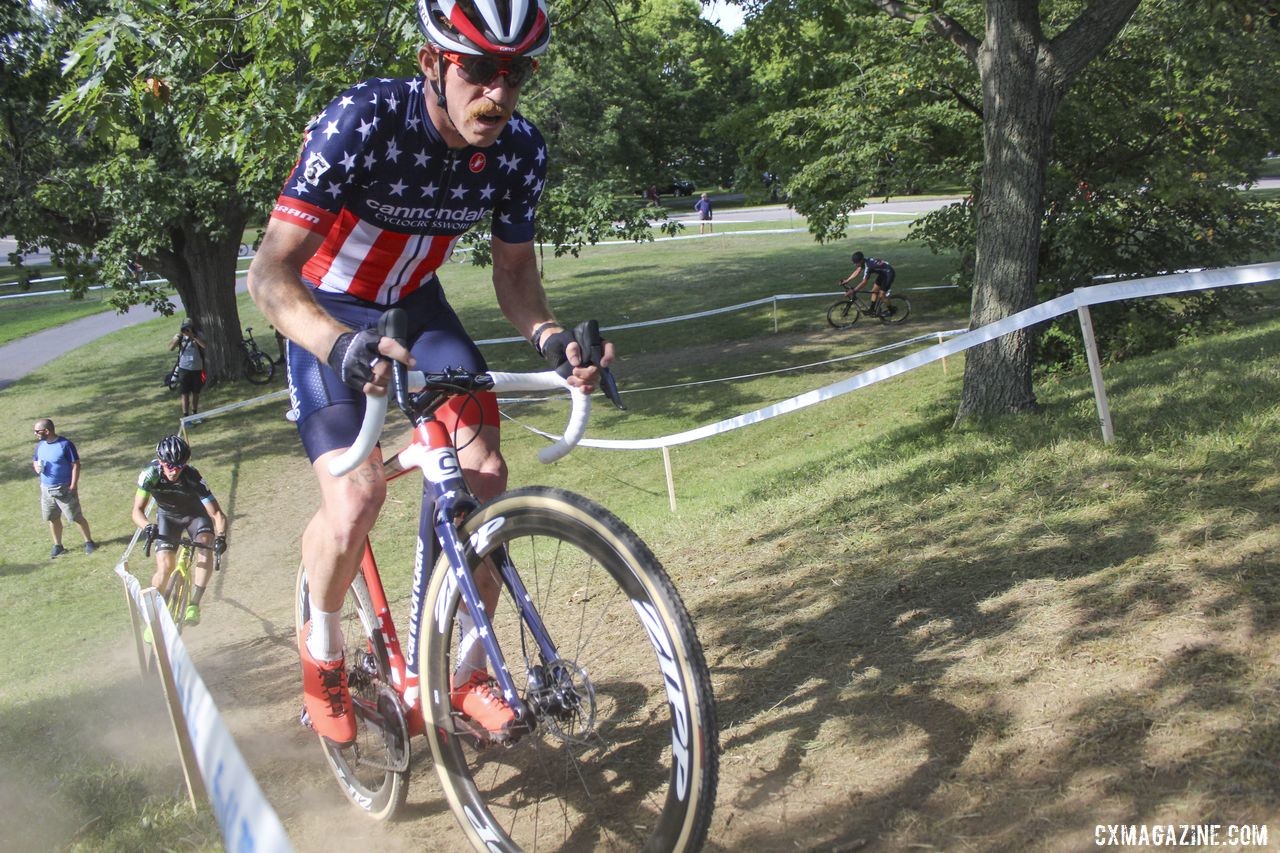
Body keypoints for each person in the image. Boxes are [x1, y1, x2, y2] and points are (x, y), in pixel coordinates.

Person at [247, 0, 613, 747]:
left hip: (417, 308)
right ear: (432, 63)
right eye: (478, 69)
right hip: (327, 310)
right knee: (356, 500)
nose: (499, 93)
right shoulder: (363, 121)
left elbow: (514, 273)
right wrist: (336, 342)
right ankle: (322, 649)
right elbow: (268, 275)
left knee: (485, 474)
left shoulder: (518, 150)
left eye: (516, 74)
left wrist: (547, 336)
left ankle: (464, 671)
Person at [132, 435, 227, 629]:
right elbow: (137, 511)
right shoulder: (150, 474)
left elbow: (216, 513)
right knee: (165, 567)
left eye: (179, 465)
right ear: (160, 461)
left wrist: (221, 537)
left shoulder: (193, 477)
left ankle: (194, 603)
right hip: (168, 516)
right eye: (169, 465)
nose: (174, 470)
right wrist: (147, 526)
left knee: (205, 547)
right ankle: (154, 616)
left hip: (195, 516)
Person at [31, 418, 97, 557]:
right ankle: (58, 545)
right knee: (52, 517)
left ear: (47, 431)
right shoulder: (40, 445)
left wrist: (73, 485)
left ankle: (89, 542)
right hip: (46, 489)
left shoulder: (65, 445)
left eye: (37, 431)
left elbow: (76, 465)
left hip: (64, 488)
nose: (35, 434)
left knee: (75, 517)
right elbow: (35, 460)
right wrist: (36, 467)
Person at [168, 319, 206, 419]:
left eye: (188, 327)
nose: (186, 330)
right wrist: (179, 336)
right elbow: (171, 348)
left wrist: (193, 336)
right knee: (184, 393)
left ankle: (195, 413)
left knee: (196, 392)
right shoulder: (179, 336)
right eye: (185, 328)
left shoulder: (198, 334)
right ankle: (186, 415)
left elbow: (204, 345)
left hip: (197, 367)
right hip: (184, 368)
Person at [839, 251, 896, 316]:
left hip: (889, 274)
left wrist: (854, 290)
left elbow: (864, 282)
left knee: (881, 294)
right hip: (883, 274)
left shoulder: (868, 266)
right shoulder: (864, 261)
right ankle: (872, 310)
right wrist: (847, 280)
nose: (855, 265)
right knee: (874, 291)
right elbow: (858, 270)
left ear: (860, 261)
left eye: (856, 263)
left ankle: (891, 310)